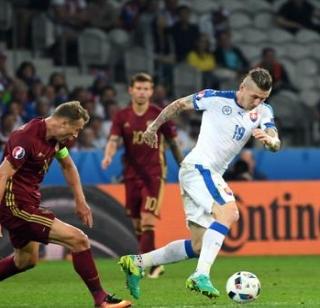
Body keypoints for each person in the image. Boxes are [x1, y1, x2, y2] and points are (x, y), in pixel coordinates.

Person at [118, 68, 281, 300]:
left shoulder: (263, 111)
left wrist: (271, 141)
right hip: (198, 168)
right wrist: (153, 127)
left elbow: (274, 138)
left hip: (209, 173)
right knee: (229, 213)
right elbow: (177, 105)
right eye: (255, 96)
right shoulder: (214, 98)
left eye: (263, 98)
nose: (258, 102)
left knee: (198, 246)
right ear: (243, 87)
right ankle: (200, 275)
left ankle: (137, 263)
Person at [0, 101, 131, 308]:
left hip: (29, 201)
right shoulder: (25, 138)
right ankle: (101, 299)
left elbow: (68, 166)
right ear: (62, 122)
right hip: (16, 205)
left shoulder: (55, 140)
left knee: (25, 260)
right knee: (78, 239)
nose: (76, 136)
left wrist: (81, 201)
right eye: (75, 129)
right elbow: (3, 174)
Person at [101, 73, 183, 279]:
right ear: (130, 90)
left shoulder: (159, 114)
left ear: (152, 91)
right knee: (137, 224)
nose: (142, 92)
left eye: (146, 89)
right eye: (138, 88)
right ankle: (155, 265)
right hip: (130, 175)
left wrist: (183, 164)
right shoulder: (122, 116)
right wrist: (108, 156)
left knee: (147, 220)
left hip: (154, 174)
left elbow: (173, 142)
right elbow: (113, 139)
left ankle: (141, 266)